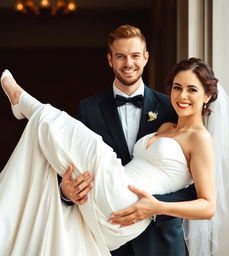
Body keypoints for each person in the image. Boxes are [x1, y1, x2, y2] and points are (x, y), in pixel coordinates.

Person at [0, 58, 229, 256]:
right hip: (111, 200)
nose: (182, 96)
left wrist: (156, 207)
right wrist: (67, 190)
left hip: (131, 206)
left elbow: (208, 205)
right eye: (177, 87)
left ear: (207, 96)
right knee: (54, 153)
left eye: (192, 89)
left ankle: (24, 103)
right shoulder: (164, 127)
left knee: (95, 147)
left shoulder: (199, 138)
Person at [59, 25, 196, 256]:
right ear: (110, 60)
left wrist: (154, 206)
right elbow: (67, 162)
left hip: (161, 239)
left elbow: (196, 186)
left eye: (135, 55)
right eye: (120, 56)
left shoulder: (172, 107)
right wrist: (65, 192)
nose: (128, 63)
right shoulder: (88, 109)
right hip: (107, 239)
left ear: (146, 57)